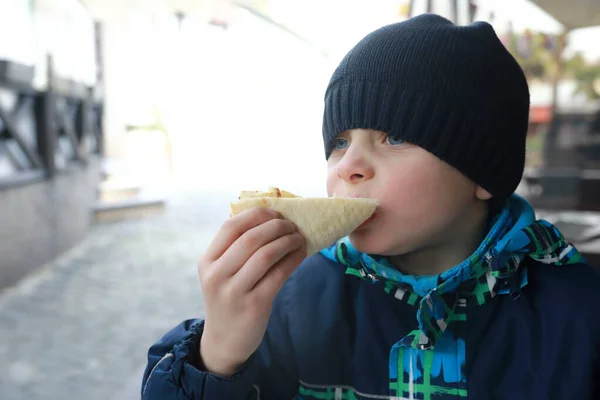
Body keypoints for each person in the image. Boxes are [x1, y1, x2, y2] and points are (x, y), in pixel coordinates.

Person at [141, 14, 600, 399]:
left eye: (394, 138)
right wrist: (219, 352)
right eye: (340, 143)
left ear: (482, 172)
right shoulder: (293, 300)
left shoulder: (578, 316)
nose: (350, 167)